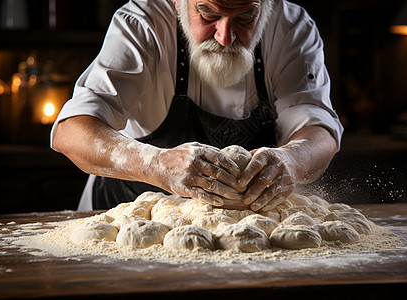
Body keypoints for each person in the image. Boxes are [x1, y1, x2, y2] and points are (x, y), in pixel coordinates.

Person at [51, 0, 344, 212]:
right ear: (178, 3)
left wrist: (292, 162)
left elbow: (318, 129)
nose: (225, 36)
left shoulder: (291, 28)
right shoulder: (143, 24)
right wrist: (156, 165)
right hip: (120, 216)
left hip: (238, 242)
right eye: (208, 13)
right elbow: (72, 130)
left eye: (244, 17)